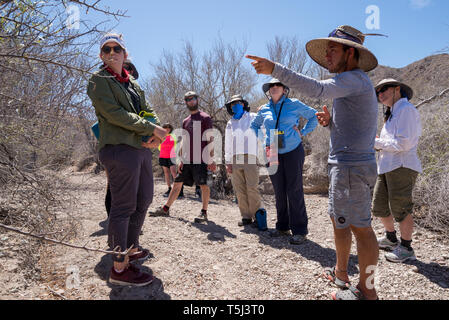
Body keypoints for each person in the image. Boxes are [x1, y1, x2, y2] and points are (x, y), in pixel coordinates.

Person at [247, 25, 381, 300]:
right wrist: (331, 125)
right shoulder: (348, 83)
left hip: (353, 167)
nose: (328, 54)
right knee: (339, 219)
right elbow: (354, 129)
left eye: (333, 49)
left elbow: (318, 89)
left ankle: (368, 290)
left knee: (361, 228)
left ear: (351, 52)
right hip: (343, 164)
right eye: (327, 49)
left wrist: (277, 69)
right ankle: (341, 273)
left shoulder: (355, 78)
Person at [87, 33, 167, 286]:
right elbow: (115, 114)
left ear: (125, 53)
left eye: (117, 48)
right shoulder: (99, 80)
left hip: (141, 149)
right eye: (107, 49)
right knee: (122, 207)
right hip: (119, 149)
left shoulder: (132, 83)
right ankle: (119, 268)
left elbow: (148, 110)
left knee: (143, 199)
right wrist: (150, 129)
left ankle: (131, 249)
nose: (112, 53)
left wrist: (154, 134)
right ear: (102, 55)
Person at [251, 79, 318, 244]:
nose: (274, 88)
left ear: (284, 89)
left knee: (294, 189)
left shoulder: (293, 104)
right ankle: (282, 226)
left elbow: (314, 117)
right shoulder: (264, 109)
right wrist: (263, 139)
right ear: (268, 91)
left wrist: (302, 132)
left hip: (293, 150)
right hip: (272, 151)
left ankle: (300, 230)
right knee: (279, 190)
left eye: (278, 85)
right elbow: (254, 125)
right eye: (271, 86)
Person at [372, 79, 422, 263]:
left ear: (397, 89)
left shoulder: (406, 110)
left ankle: (407, 247)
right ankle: (391, 238)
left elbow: (404, 143)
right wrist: (379, 143)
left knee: (401, 207)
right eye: (378, 91)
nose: (380, 93)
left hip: (401, 166)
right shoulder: (393, 113)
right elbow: (392, 142)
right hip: (387, 166)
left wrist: (375, 142)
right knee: (379, 205)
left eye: (384, 89)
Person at [152, 91, 217, 223]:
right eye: (188, 99)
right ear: (186, 102)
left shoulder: (205, 118)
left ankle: (204, 213)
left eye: (193, 98)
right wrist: (181, 160)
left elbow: (210, 138)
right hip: (187, 159)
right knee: (177, 183)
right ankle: (165, 209)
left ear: (197, 100)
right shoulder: (185, 121)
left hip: (201, 158)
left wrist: (211, 158)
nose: (191, 101)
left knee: (203, 185)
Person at [104, 58, 140, 217]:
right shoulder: (109, 88)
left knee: (132, 182)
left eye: (130, 68)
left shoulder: (136, 92)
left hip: (133, 143)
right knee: (112, 181)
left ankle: (127, 218)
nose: (127, 71)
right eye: (124, 68)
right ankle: (114, 217)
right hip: (114, 142)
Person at [224, 94, 264, 227]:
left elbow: (263, 129)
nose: (235, 105)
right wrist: (228, 161)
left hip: (250, 156)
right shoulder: (230, 123)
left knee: (252, 187)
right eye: (233, 104)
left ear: (243, 104)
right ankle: (246, 216)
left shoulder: (253, 117)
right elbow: (228, 143)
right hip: (236, 158)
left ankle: (258, 216)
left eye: (238, 103)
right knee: (239, 188)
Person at [158, 123, 181, 198]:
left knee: (173, 172)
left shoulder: (173, 136)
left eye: (168, 128)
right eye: (165, 128)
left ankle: (179, 190)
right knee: (166, 173)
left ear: (170, 129)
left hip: (172, 156)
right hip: (163, 156)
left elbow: (178, 144)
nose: (167, 129)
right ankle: (169, 188)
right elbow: (158, 146)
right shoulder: (160, 136)